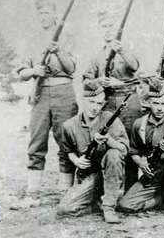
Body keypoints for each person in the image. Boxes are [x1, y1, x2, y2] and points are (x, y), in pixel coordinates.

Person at [15, 0, 78, 207]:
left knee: (66, 141)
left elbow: (71, 69)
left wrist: (58, 49)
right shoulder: (31, 39)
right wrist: (35, 71)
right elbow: (22, 72)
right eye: (40, 13)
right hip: (40, 93)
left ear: (54, 14)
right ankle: (33, 193)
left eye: (47, 12)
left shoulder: (67, 37)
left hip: (63, 92)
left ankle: (65, 193)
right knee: (37, 141)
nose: (44, 16)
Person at [82, 9, 142, 189]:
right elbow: (86, 80)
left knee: (130, 143)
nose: (108, 30)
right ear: (99, 29)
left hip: (129, 100)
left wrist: (121, 50)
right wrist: (99, 81)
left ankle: (130, 189)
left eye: (111, 26)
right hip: (107, 102)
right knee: (107, 142)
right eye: (104, 26)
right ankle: (107, 189)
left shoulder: (127, 48)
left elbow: (135, 66)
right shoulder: (97, 56)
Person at [119, 79, 164, 223]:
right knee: (125, 205)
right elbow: (133, 151)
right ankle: (162, 200)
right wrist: (141, 163)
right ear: (148, 103)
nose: (160, 108)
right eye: (156, 103)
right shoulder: (140, 124)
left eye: (163, 104)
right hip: (154, 172)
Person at [56, 83, 129, 224]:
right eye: (91, 102)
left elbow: (124, 150)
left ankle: (109, 208)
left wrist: (109, 140)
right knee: (65, 209)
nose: (95, 108)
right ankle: (95, 203)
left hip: (110, 174)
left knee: (113, 154)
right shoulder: (69, 126)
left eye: (100, 103)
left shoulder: (111, 119)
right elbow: (67, 151)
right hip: (89, 176)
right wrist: (76, 160)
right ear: (82, 100)